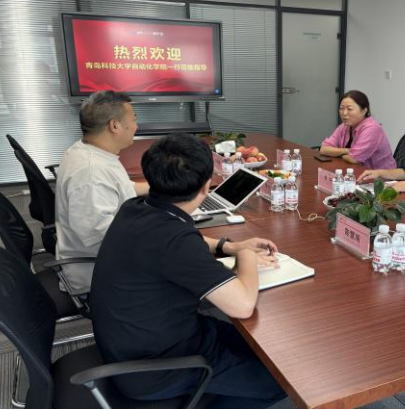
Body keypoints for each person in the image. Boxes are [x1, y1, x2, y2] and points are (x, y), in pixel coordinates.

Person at [90, 133, 285, 407]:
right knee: (279, 382)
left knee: (275, 355)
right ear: (206, 187)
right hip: (157, 368)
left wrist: (228, 246)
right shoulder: (174, 240)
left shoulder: (137, 208)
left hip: (143, 339)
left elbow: (185, 241)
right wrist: (246, 256)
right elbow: (242, 306)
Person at [55, 90, 149, 295]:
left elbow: (122, 188)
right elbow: (100, 238)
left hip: (110, 257)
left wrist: (165, 187)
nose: (136, 126)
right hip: (99, 276)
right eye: (134, 119)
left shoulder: (90, 151)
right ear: (115, 126)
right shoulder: (91, 174)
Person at [320, 90, 397, 169]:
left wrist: (338, 153)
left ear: (364, 111)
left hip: (380, 175)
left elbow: (354, 159)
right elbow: (323, 149)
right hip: (354, 171)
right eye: (341, 108)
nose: (344, 113)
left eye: (349, 109)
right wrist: (347, 151)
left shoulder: (372, 128)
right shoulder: (344, 126)